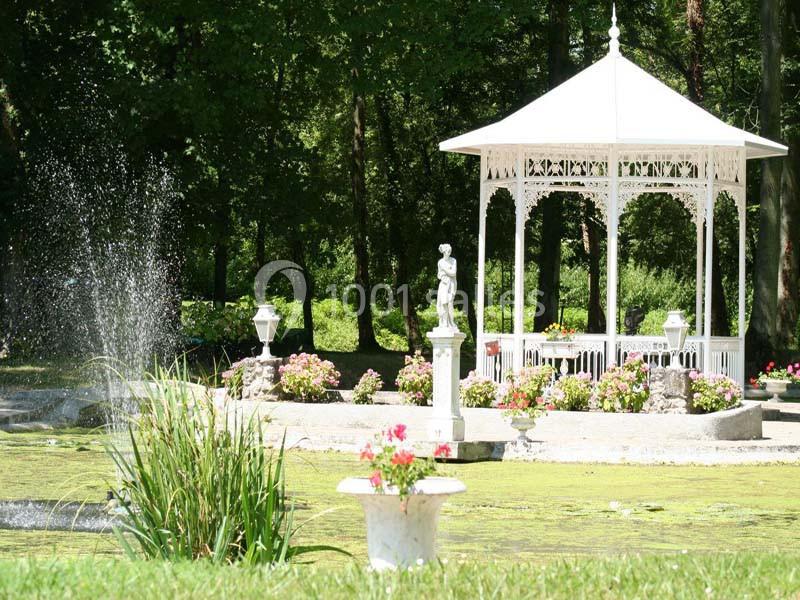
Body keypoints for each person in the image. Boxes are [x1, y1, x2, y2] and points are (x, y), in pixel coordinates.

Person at [436, 243, 458, 331]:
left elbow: (453, 273)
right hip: (443, 284)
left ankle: (451, 322)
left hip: (451, 284)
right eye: (447, 251)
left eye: (450, 251)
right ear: (444, 252)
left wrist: (444, 270)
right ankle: (444, 323)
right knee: (442, 303)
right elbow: (439, 275)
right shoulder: (440, 262)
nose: (449, 253)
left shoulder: (453, 260)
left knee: (449, 303)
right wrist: (443, 274)